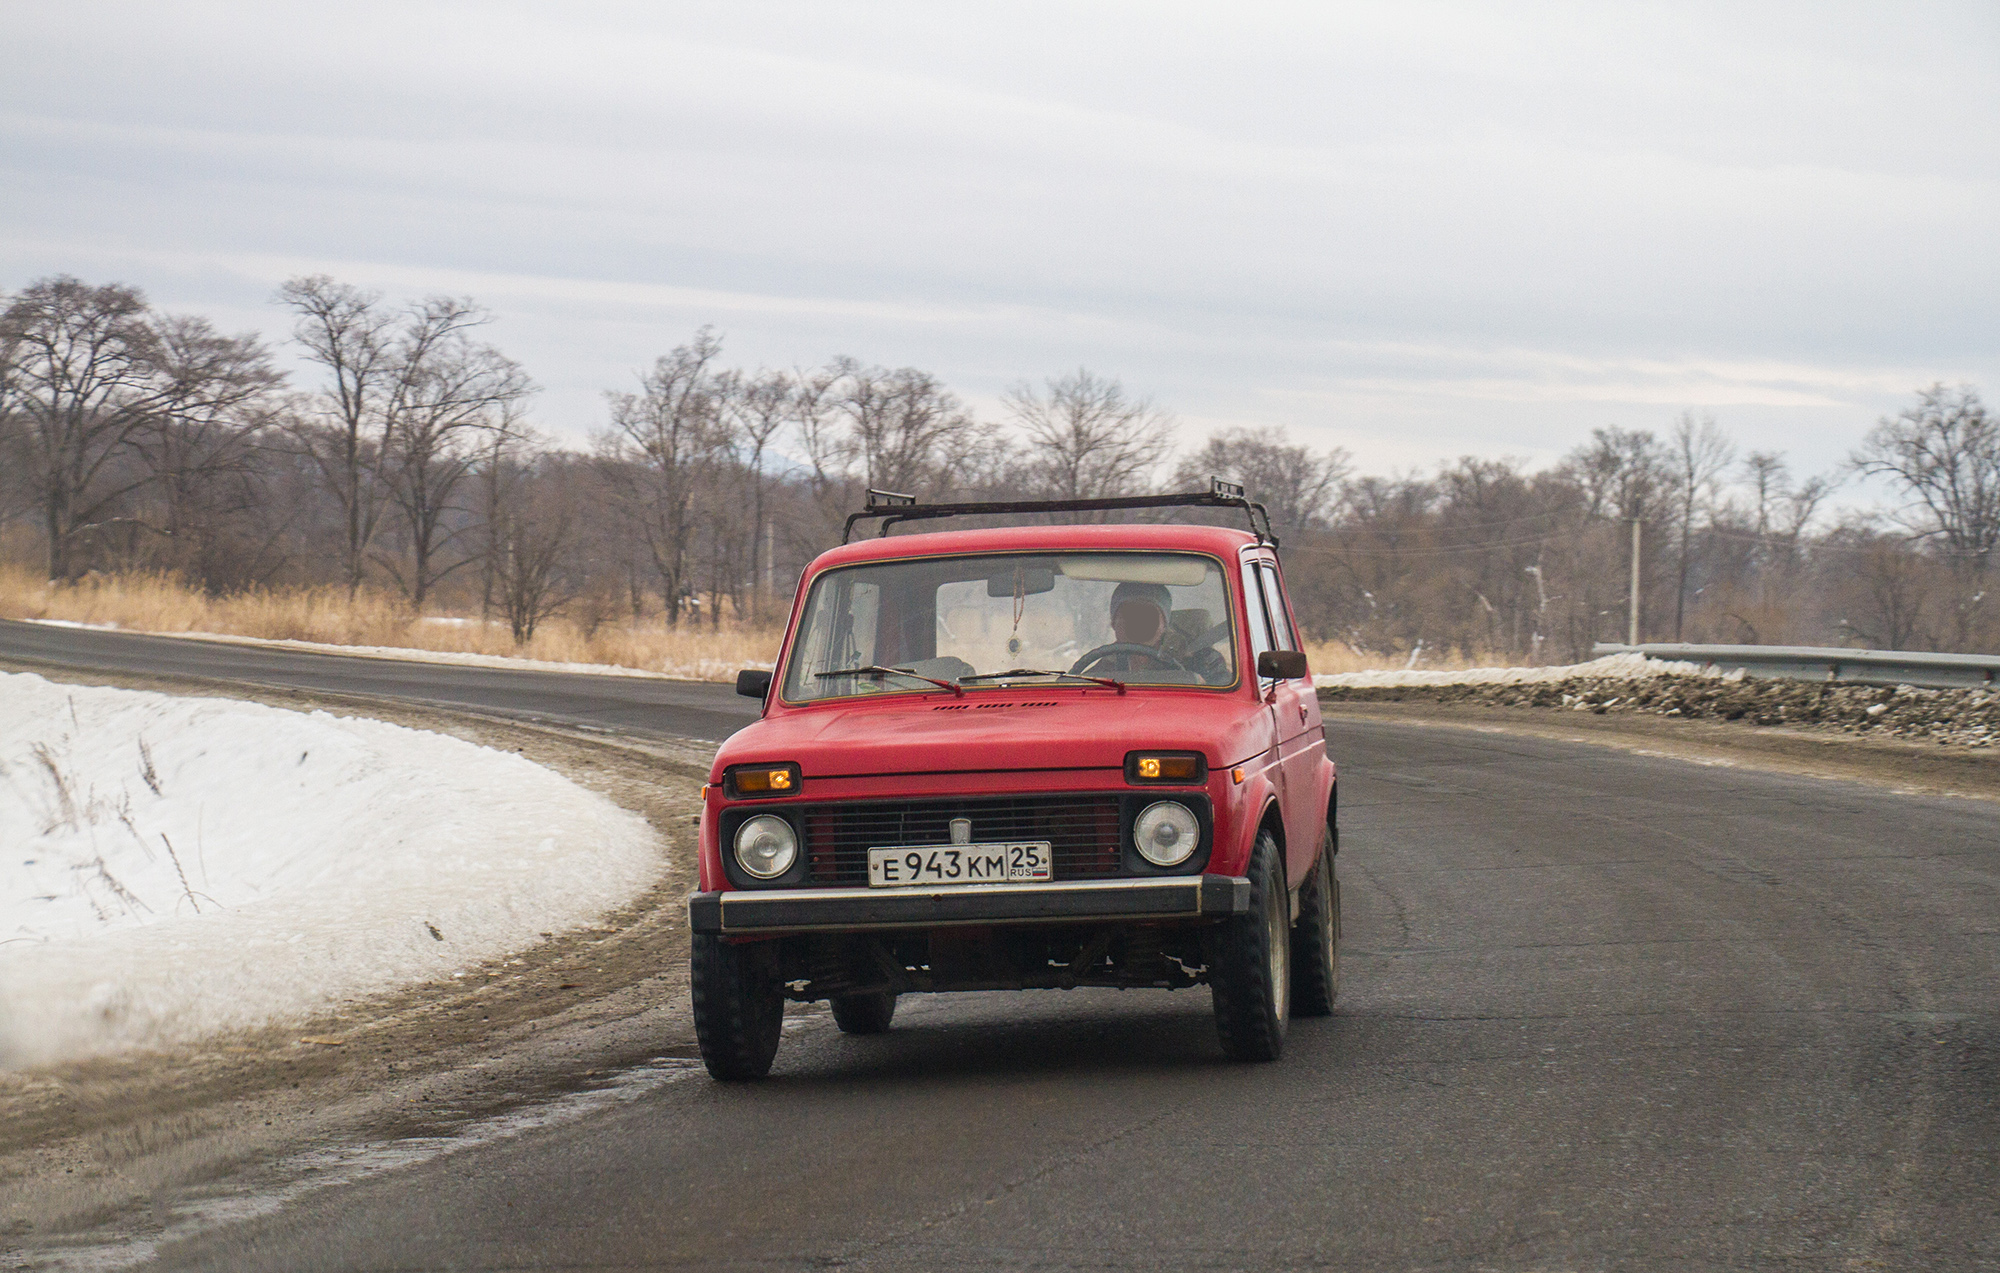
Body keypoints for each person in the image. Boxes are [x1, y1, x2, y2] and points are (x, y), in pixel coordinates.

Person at [1104, 581, 1229, 682]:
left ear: (1165, 624)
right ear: (1113, 623)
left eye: (1147, 616)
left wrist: (1216, 677)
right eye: (1129, 615)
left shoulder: (1194, 658)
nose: (1139, 623)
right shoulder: (1102, 669)